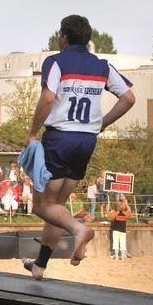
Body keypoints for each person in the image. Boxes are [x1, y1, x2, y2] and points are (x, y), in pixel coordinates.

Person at [23, 15, 135, 280]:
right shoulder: (102, 66)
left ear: (63, 37)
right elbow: (129, 98)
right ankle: (40, 266)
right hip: (86, 141)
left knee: (41, 205)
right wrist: (102, 123)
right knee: (57, 205)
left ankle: (78, 229)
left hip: (60, 138)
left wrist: (32, 133)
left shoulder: (56, 61)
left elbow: (48, 98)